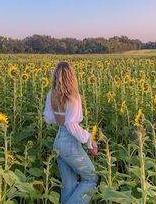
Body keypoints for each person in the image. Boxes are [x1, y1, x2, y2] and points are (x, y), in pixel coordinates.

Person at [43, 61, 99, 204]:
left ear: (55, 76)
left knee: (69, 185)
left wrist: (60, 117)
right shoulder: (73, 96)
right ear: (71, 77)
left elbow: (49, 119)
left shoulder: (51, 95)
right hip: (69, 142)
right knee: (91, 178)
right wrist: (89, 140)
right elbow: (72, 125)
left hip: (58, 141)